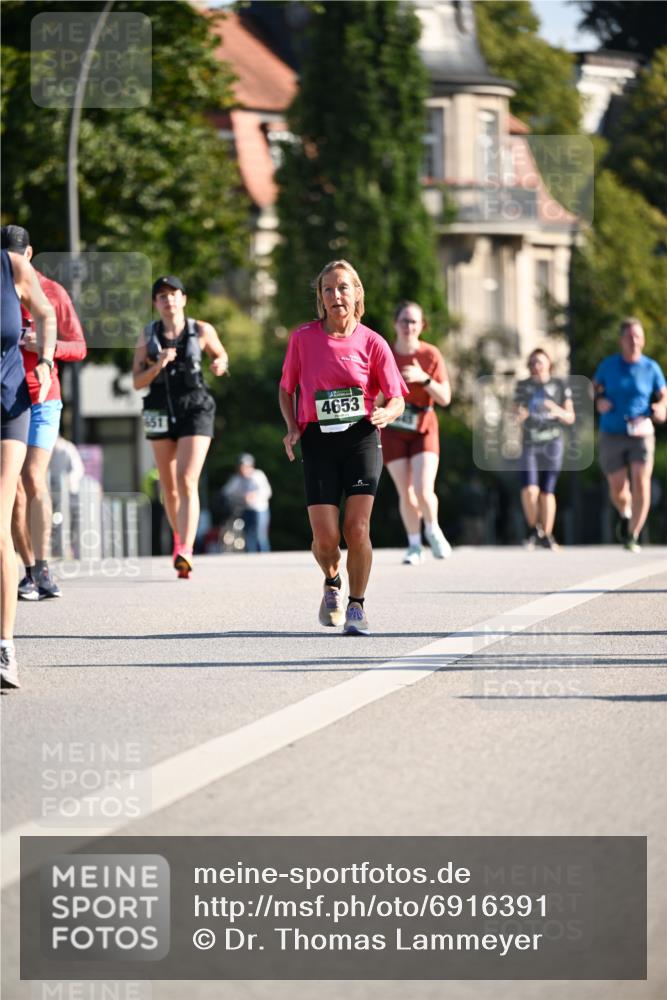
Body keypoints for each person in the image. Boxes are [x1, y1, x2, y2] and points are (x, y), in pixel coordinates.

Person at [279, 259, 407, 636]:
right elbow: (286, 388)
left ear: (357, 294)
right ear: (320, 298)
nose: (337, 295)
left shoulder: (373, 342)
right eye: (329, 289)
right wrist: (291, 428)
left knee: (357, 526)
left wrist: (388, 412)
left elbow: (398, 395)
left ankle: (357, 605)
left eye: (343, 288)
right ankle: (332, 582)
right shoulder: (303, 339)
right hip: (318, 438)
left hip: (362, 437)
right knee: (325, 538)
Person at [1, 225, 87, 599]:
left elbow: (80, 346)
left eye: (17, 254)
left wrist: (46, 350)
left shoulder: (52, 292)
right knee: (14, 490)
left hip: (43, 397)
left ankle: (44, 567)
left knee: (34, 477)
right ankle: (29, 568)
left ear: (30, 254)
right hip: (9, 397)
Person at [132, 275, 228, 578]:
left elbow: (220, 354)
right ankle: (179, 540)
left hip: (195, 408)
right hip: (159, 408)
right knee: (168, 487)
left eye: (173, 294)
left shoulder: (201, 330)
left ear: (183, 299)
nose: (168, 300)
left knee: (187, 479)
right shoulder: (147, 336)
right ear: (155, 303)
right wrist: (157, 364)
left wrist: (220, 364)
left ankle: (186, 549)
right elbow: (136, 381)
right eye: (161, 296)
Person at [1, 248, 56, 690]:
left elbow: (47, 312)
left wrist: (50, 351)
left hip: (9, 403)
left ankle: (4, 645)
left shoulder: (12, 266)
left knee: (3, 512)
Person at [380, 300, 452, 565]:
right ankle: (413, 545)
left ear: (422, 325)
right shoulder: (384, 352)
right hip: (394, 428)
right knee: (406, 492)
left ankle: (432, 530)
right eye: (404, 321)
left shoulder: (430, 354)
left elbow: (445, 398)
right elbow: (372, 395)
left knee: (423, 489)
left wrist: (424, 378)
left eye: (414, 321)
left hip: (424, 426)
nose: (409, 326)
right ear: (395, 324)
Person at [593, 318, 667, 552]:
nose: (634, 341)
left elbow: (664, 396)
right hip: (612, 431)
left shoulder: (651, 367)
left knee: (641, 481)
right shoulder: (609, 365)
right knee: (617, 487)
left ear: (643, 340)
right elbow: (592, 389)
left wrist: (662, 409)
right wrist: (599, 400)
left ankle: (632, 534)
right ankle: (625, 513)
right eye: (629, 336)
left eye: (638, 336)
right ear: (621, 340)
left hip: (642, 431)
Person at [514, 347, 575, 550]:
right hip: (530, 442)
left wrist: (554, 409)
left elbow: (570, 417)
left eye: (539, 362)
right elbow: (516, 412)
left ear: (549, 363)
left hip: (552, 442)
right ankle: (534, 530)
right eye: (532, 363)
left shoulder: (560, 385)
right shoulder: (523, 386)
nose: (536, 367)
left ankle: (547, 535)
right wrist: (519, 416)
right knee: (530, 489)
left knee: (547, 491)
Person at [222, 453, 272, 552]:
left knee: (260, 536)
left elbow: (267, 492)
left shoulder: (258, 475)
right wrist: (239, 498)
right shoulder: (237, 479)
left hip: (260, 510)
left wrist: (254, 495)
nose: (243, 469)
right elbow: (226, 492)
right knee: (248, 536)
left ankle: (265, 557)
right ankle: (252, 560)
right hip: (246, 509)